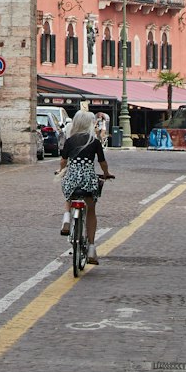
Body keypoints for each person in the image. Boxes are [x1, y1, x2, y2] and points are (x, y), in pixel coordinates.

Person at [58, 108, 113, 266]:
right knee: (91, 210)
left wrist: (61, 170)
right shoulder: (94, 141)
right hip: (89, 179)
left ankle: (67, 218)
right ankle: (91, 248)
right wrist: (106, 173)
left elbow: (63, 161)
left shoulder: (70, 140)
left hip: (73, 178)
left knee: (68, 191)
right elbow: (102, 162)